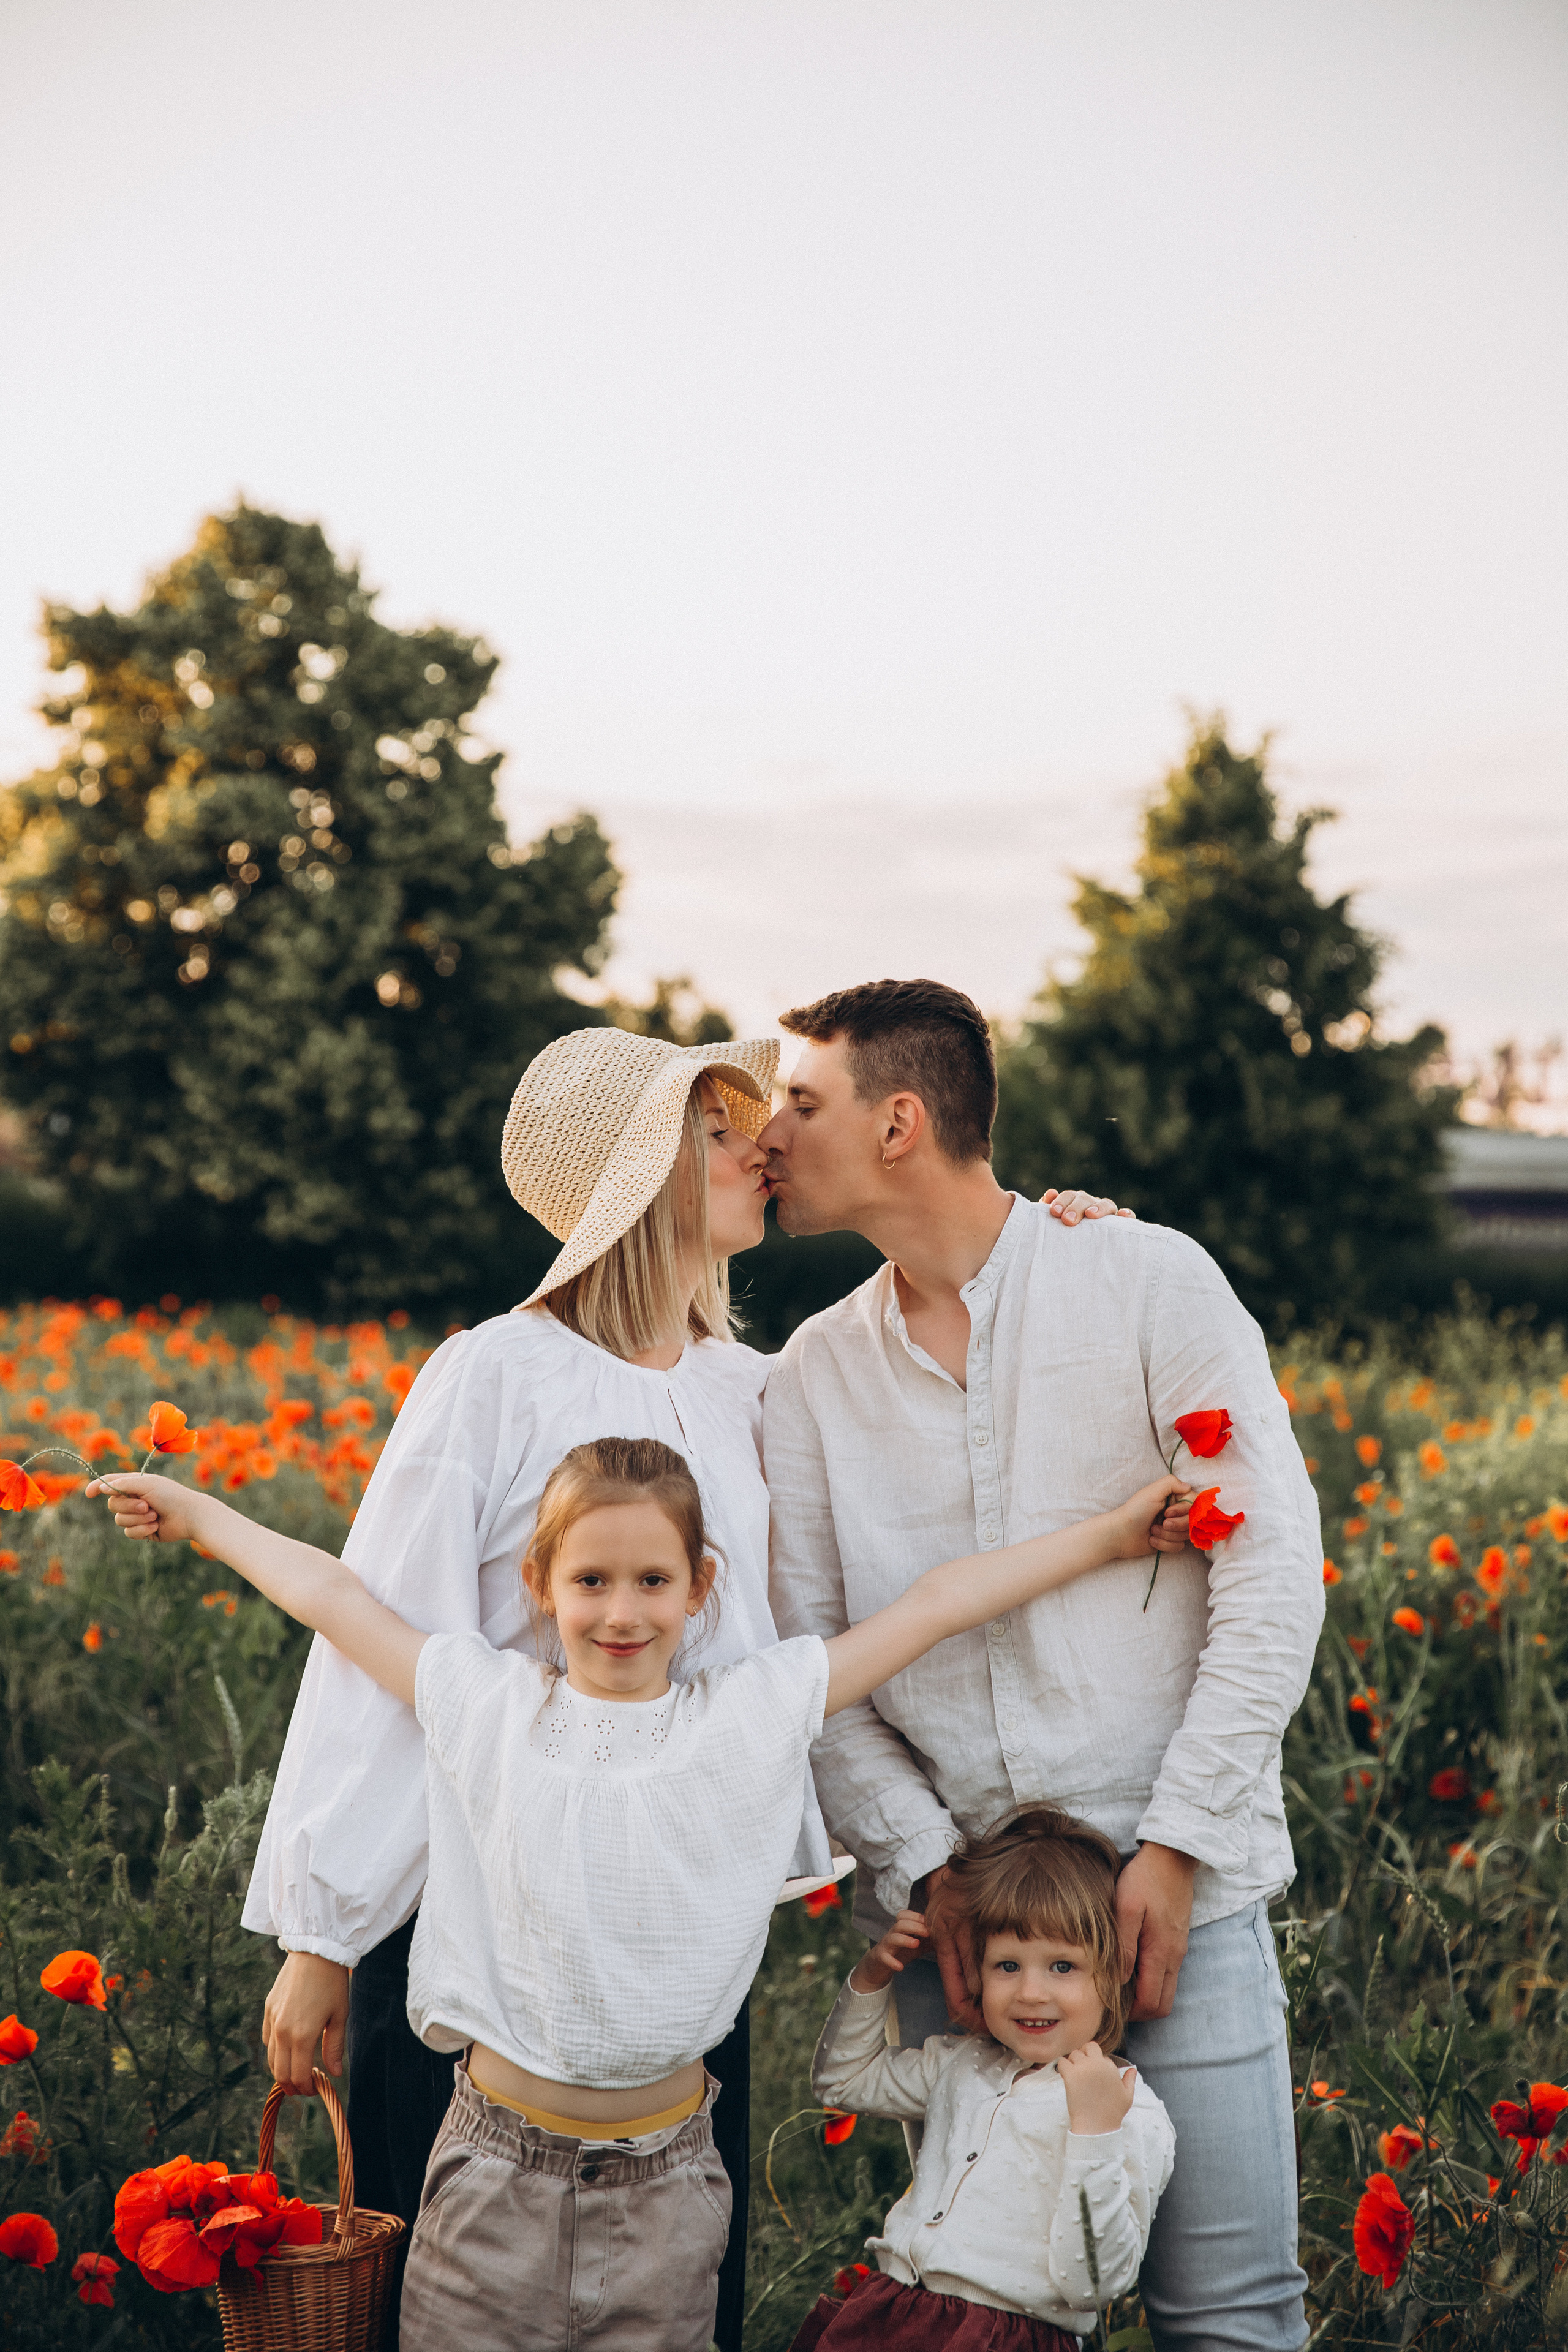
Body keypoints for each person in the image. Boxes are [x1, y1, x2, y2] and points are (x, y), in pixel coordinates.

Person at [235, 1022, 1120, 2350]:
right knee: (460, 2292)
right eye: (717, 1133)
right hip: (487, 1929)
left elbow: (927, 1483)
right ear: (639, 1174)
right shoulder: (494, 1373)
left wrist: (1045, 1254)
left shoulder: (754, 1389)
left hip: (676, 1933)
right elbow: (380, 1647)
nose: (760, 1146)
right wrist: (321, 1932)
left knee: (657, 2290)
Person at [92, 1433, 1193, 2351]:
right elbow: (332, 1594)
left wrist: (1109, 1537)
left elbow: (938, 1605)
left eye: (654, 1581)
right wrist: (197, 1513)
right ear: (542, 1586)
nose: (622, 1611)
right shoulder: (489, 1707)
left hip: (667, 2192)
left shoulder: (744, 1718)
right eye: (591, 1581)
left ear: (699, 1587)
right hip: (492, 2175)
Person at [761, 978, 1325, 2352]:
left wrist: (1180, 1845)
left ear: (899, 1121)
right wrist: (931, 1879)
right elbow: (809, 1663)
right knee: (985, 2319)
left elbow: (1268, 1571)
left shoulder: (1143, 1280)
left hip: (1174, 1889)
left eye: (799, 1100)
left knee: (1230, 2316)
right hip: (963, 1924)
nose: (768, 1130)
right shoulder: (806, 1377)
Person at [790, 1807, 1177, 2351]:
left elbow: (1093, 2283)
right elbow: (842, 2083)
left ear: (1113, 1971)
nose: (1031, 1993)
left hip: (1004, 2338)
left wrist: (1095, 2132)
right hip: (891, 2314)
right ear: (976, 1967)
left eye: (1062, 1966)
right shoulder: (961, 2064)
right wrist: (871, 1979)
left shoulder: (1128, 2110)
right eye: (1008, 1965)